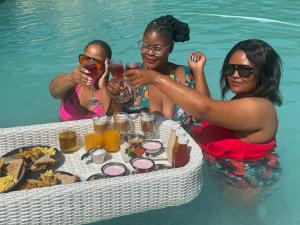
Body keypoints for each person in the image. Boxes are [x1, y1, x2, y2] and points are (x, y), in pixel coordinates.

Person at [125, 39, 282, 191]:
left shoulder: (259, 108)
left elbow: (204, 110)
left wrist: (155, 78)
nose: (234, 75)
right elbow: (206, 111)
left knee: (239, 218)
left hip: (243, 183)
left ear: (264, 74)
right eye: (230, 68)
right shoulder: (240, 100)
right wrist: (198, 71)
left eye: (243, 70)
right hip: (221, 173)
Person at [107, 15, 208, 130]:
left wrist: (199, 71)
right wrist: (115, 98)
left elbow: (204, 114)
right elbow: (114, 123)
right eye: (145, 46)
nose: (149, 52)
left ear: (171, 48)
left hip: (179, 146)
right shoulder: (132, 75)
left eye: (157, 48)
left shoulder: (185, 75)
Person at [49, 40, 112, 121]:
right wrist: (72, 78)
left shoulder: (111, 90)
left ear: (107, 65)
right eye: (85, 59)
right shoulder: (70, 82)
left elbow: (112, 121)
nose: (89, 64)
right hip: (68, 133)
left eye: (96, 62)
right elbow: (53, 93)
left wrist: (103, 87)